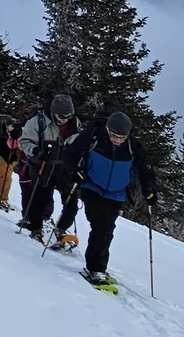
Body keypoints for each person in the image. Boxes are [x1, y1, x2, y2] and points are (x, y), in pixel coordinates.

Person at [63, 111, 158, 286]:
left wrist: (149, 189)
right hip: (92, 186)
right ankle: (95, 268)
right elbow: (70, 154)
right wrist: (75, 172)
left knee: (108, 229)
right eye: (114, 136)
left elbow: (146, 170)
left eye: (121, 137)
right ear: (108, 129)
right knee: (100, 226)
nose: (117, 140)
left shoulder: (132, 146)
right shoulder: (94, 136)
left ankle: (100, 267)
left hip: (116, 193)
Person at [18, 93, 80, 248]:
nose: (64, 119)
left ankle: (61, 228)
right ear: (53, 112)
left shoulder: (75, 124)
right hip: (43, 166)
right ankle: (36, 229)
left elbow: (80, 146)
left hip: (65, 168)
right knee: (39, 200)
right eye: (61, 116)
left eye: (68, 116)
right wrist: (37, 151)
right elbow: (24, 142)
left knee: (71, 203)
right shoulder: (38, 121)